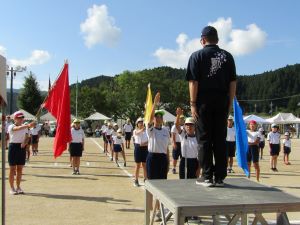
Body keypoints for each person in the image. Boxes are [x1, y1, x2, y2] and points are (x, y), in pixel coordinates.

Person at [186, 25, 236, 187]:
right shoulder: (228, 57)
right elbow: (232, 83)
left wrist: (193, 104)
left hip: (203, 102)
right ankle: (220, 177)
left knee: (204, 139)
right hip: (222, 101)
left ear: (202, 40)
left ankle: (207, 176)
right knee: (220, 139)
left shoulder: (197, 56)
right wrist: (229, 104)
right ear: (218, 40)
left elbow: (193, 82)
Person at [146, 92, 170, 222]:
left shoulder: (166, 131)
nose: (159, 118)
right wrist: (154, 104)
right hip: (152, 158)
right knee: (151, 186)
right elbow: (148, 119)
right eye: (157, 116)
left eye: (160, 117)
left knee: (162, 186)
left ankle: (158, 211)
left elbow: (166, 148)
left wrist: (168, 161)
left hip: (162, 159)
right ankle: (150, 211)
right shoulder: (150, 130)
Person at [8, 111, 34, 194]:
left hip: (21, 148)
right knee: (12, 169)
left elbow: (27, 136)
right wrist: (28, 125)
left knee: (20, 169)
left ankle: (18, 187)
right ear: (15, 119)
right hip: (13, 147)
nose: (21, 119)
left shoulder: (25, 127)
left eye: (22, 118)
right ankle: (12, 188)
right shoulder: (11, 126)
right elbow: (16, 129)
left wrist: (25, 142)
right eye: (19, 118)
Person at [175, 108, 199, 179]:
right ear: (184, 126)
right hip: (184, 161)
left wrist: (199, 169)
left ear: (195, 126)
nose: (189, 127)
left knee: (193, 182)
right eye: (187, 125)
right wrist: (178, 115)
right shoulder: (183, 135)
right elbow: (177, 125)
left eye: (191, 125)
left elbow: (200, 155)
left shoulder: (198, 138)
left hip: (194, 162)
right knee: (183, 181)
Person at [133, 117, 148, 187]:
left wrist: (144, 144)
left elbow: (149, 141)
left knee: (145, 165)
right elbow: (137, 133)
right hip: (138, 148)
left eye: (142, 122)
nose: (141, 123)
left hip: (145, 148)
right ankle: (136, 180)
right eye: (139, 122)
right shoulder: (135, 130)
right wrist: (143, 129)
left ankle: (145, 179)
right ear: (137, 124)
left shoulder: (146, 131)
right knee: (138, 165)